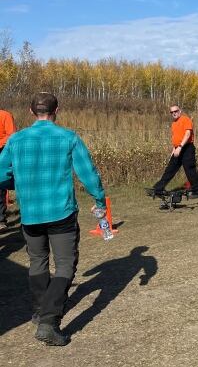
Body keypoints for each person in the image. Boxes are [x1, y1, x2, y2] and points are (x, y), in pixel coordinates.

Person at [0, 92, 107, 346]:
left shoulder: (15, 140)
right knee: (65, 265)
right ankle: (48, 321)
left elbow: (1, 174)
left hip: (30, 215)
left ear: (30, 111)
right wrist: (100, 200)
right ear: (56, 109)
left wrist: (20, 182)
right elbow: (88, 173)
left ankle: (39, 311)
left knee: (37, 261)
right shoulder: (68, 137)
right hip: (61, 213)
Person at [151, 104, 198, 202]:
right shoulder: (173, 124)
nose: (174, 113)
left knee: (190, 170)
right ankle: (158, 189)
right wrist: (174, 149)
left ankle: (197, 191)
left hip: (187, 148)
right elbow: (176, 138)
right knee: (170, 169)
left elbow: (188, 134)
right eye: (171, 112)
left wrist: (180, 147)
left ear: (180, 111)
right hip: (177, 149)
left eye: (175, 111)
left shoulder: (185, 119)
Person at [0, 106, 16, 229]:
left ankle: (1, 220)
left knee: (0, 185)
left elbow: (12, 135)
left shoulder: (5, 115)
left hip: (2, 152)